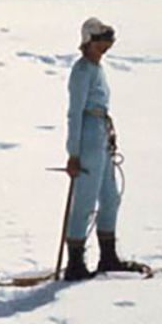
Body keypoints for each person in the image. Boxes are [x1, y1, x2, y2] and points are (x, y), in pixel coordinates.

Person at [62, 18, 141, 280]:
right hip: (88, 138)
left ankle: (108, 256)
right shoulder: (82, 71)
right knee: (85, 199)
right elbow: (74, 113)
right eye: (100, 43)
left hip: (101, 135)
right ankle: (75, 263)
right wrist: (73, 153)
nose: (104, 48)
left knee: (110, 197)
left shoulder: (96, 69)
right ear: (88, 42)